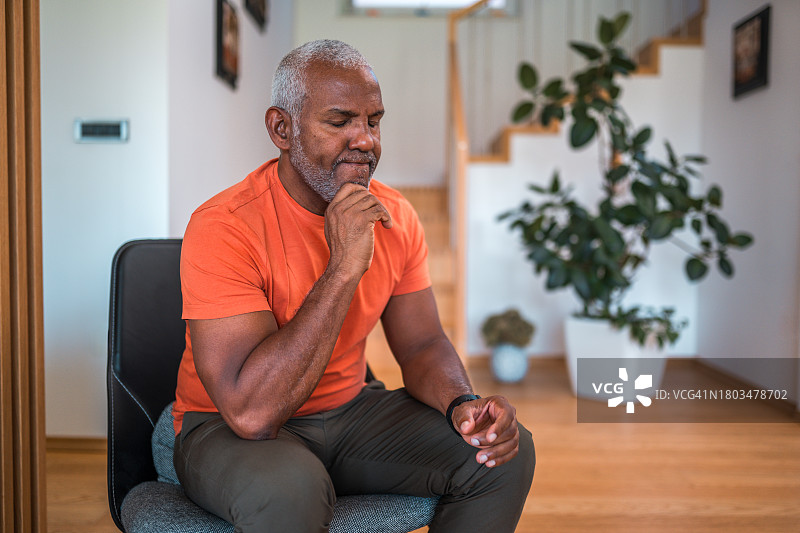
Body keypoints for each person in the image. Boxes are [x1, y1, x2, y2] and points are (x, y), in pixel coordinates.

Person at [172, 39, 535, 532]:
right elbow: (251, 413)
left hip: (349, 412)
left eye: (374, 122)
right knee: (289, 488)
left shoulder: (395, 216)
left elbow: (423, 343)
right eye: (340, 122)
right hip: (226, 426)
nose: (365, 141)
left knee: (498, 454)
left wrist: (462, 405)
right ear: (282, 129)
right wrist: (343, 267)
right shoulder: (224, 226)